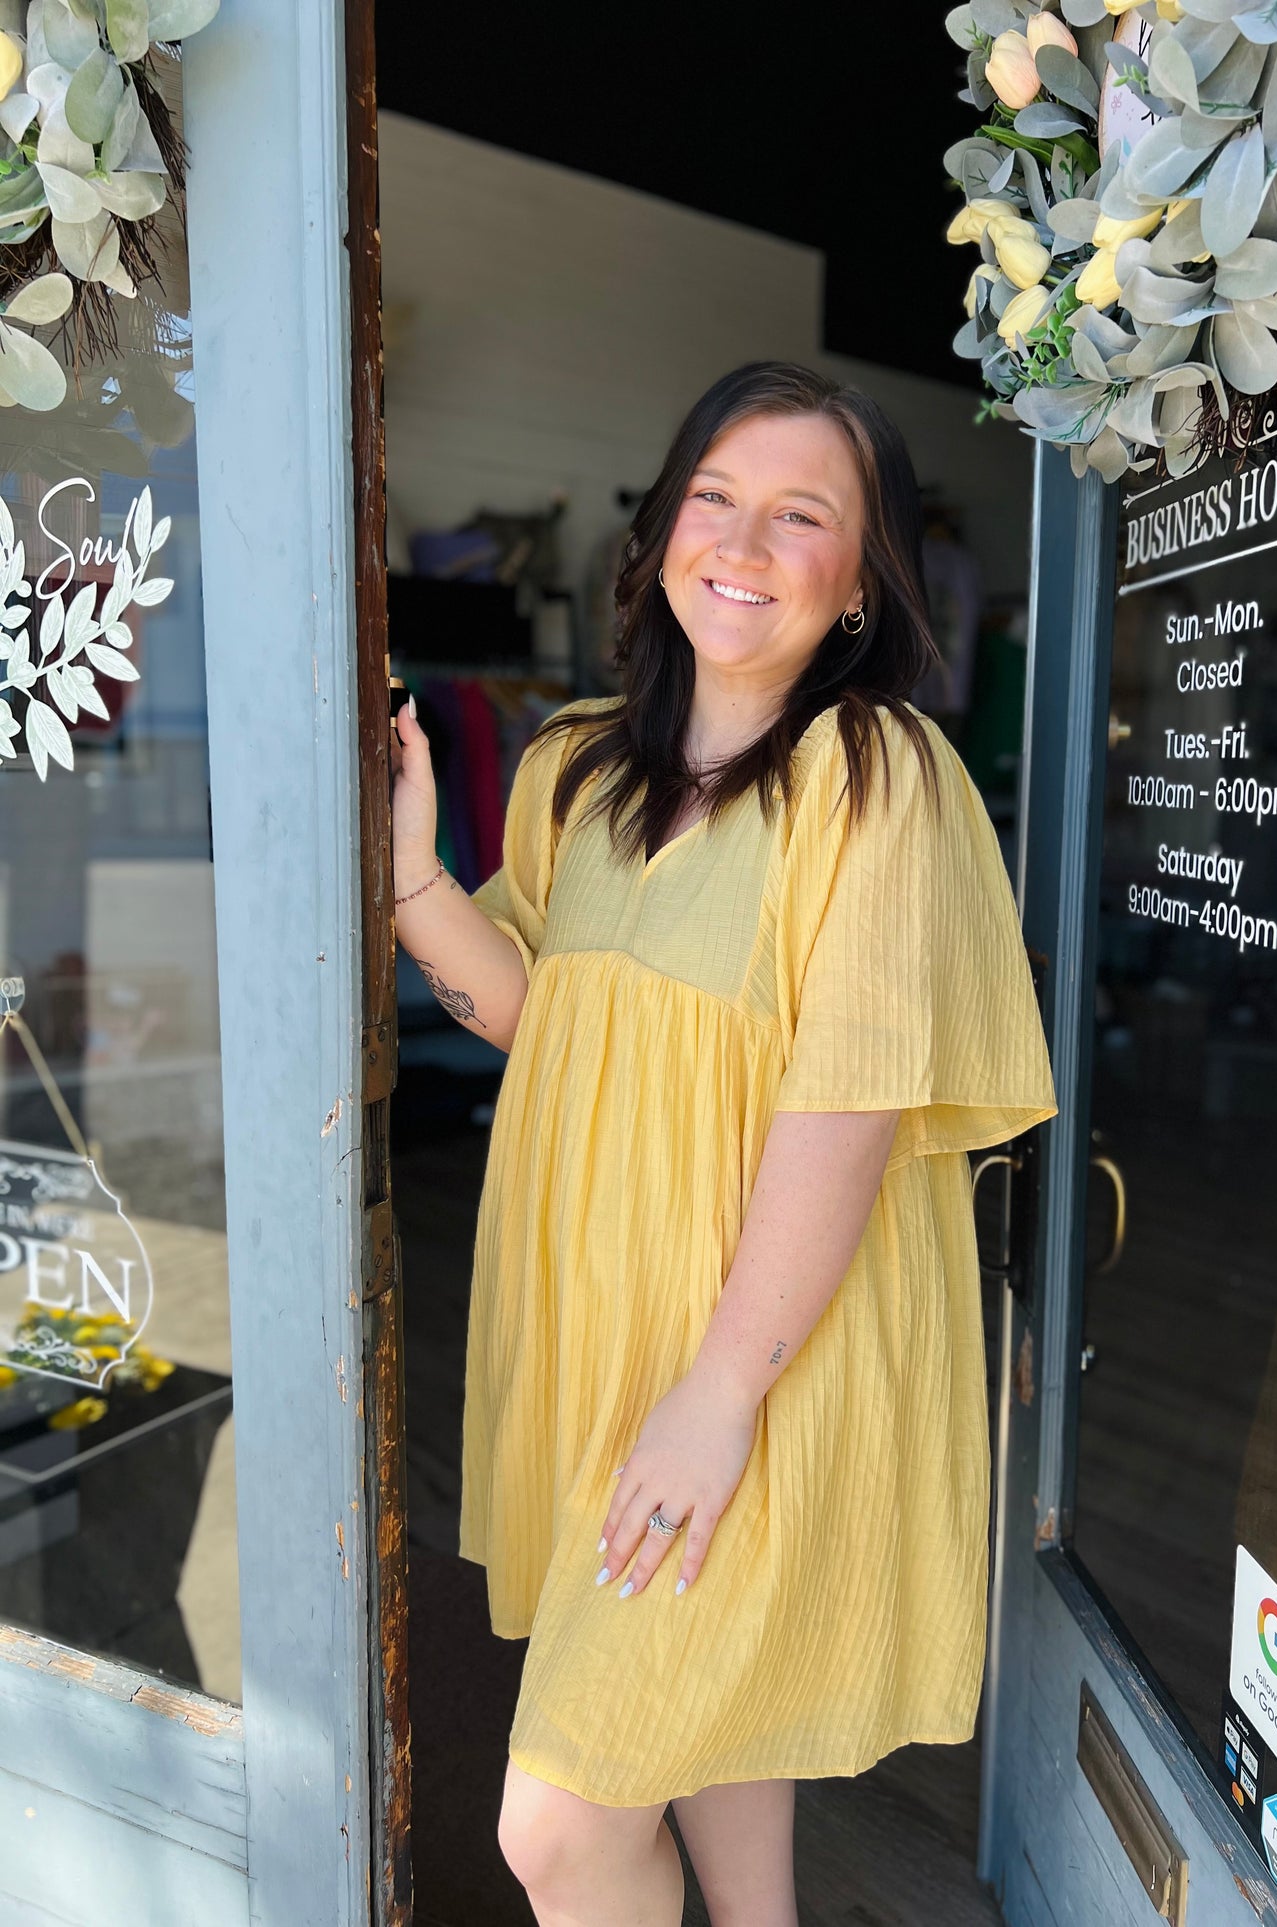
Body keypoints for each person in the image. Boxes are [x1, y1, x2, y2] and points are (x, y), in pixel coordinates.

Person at [389, 361, 1056, 1927]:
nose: (745, 541)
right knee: (705, 1707)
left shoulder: (878, 778)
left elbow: (850, 1103)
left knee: (556, 1826)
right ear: (657, 537)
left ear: (854, 582)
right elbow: (530, 1010)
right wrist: (415, 874)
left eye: (801, 514)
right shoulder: (567, 765)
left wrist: (720, 1392)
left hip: (761, 1349)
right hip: (606, 1332)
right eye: (716, 498)